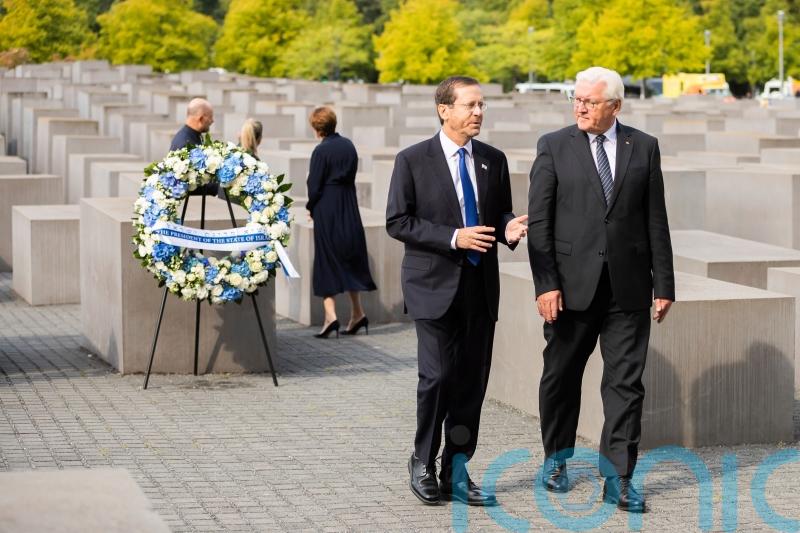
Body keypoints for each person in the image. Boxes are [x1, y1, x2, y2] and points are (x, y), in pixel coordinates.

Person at [528, 66, 675, 513]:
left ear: (615, 105)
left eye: (589, 102)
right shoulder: (553, 146)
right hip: (570, 291)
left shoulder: (644, 147)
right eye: (575, 99)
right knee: (561, 378)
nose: (579, 107)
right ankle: (556, 460)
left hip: (628, 289)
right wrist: (547, 284)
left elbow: (656, 219)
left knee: (626, 385)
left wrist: (663, 283)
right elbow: (540, 224)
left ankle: (619, 478)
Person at [386, 76, 528, 506]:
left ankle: (457, 471)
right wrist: (453, 237)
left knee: (470, 385)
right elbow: (398, 221)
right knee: (438, 377)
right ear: (444, 110)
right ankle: (422, 462)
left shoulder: (493, 159)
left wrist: (507, 227)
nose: (478, 112)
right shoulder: (412, 160)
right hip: (432, 287)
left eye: (482, 105)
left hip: (480, 290)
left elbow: (497, 211)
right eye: (470, 105)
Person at [306, 106, 376, 338]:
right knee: (349, 257)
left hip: (327, 207)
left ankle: (331, 316)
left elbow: (314, 185)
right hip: (348, 204)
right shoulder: (348, 145)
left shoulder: (321, 151)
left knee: (327, 258)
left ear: (316, 128)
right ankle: (357, 313)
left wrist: (311, 207)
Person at [170, 98, 217, 196]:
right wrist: (221, 186)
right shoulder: (185, 143)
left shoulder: (190, 136)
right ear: (201, 118)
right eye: (210, 117)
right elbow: (191, 185)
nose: (212, 121)